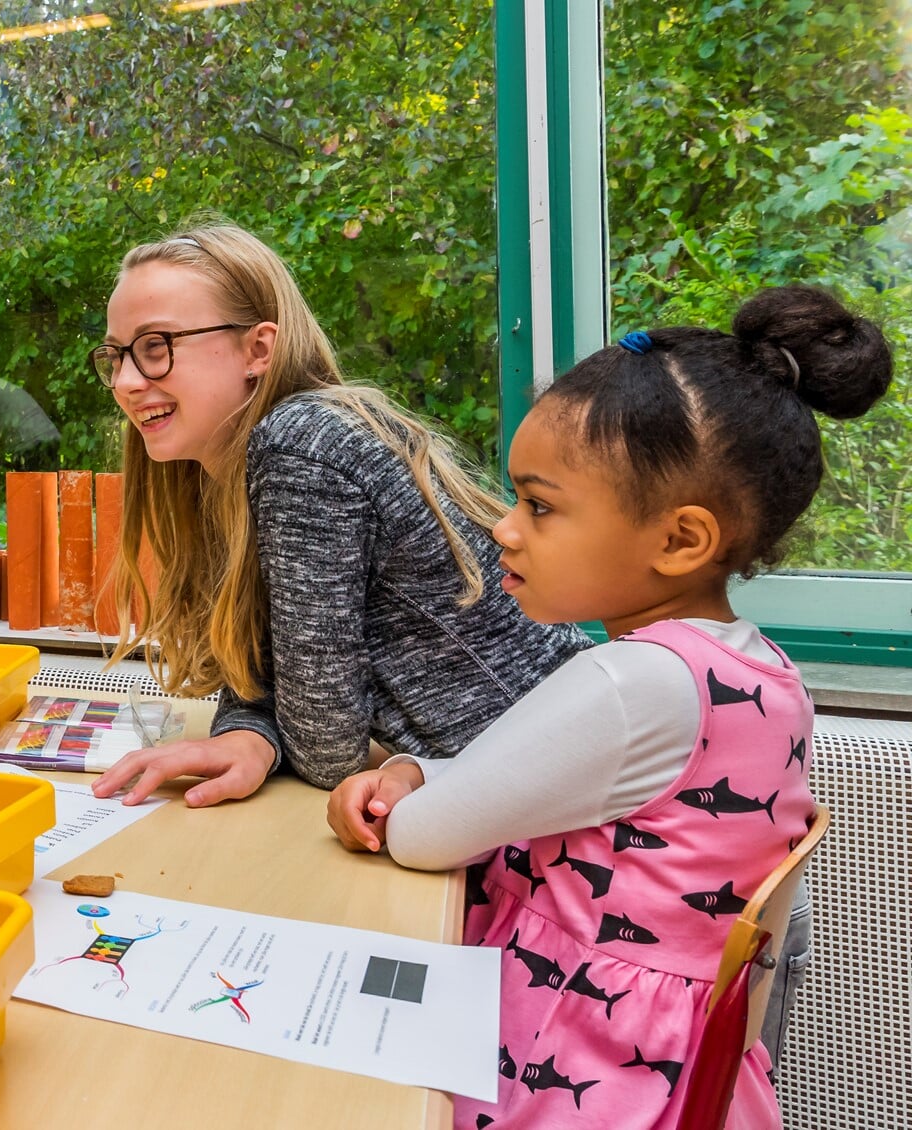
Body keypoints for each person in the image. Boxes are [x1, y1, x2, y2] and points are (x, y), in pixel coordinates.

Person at [327, 287, 892, 1128]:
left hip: (576, 1057)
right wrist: (418, 767)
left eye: (540, 506)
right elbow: (539, 784)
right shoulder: (756, 667)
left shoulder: (631, 684)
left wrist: (403, 792)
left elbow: (420, 837)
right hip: (681, 1056)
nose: (505, 529)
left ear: (680, 540)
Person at [88, 220, 586, 805]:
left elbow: (327, 749)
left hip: (560, 796)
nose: (124, 381)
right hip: (490, 790)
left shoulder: (300, 445)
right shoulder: (235, 468)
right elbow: (263, 676)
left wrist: (266, 736)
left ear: (258, 349)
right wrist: (251, 733)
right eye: (116, 355)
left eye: (156, 347)